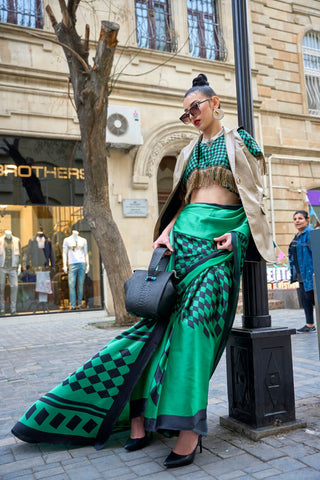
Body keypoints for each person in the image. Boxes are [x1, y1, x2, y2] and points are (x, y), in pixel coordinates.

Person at [11, 74, 275, 468]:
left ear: (214, 103)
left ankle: (187, 429)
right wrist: (166, 231)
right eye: (185, 113)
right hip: (180, 249)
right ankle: (134, 416)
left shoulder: (242, 143)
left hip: (216, 253)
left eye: (195, 108)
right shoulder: (188, 153)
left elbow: (255, 201)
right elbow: (181, 202)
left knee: (191, 329)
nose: (191, 116)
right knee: (149, 331)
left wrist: (237, 235)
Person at [289, 210, 315, 333]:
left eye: (300, 218)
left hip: (311, 274)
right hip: (301, 274)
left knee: (313, 300)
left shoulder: (310, 233)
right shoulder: (297, 236)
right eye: (295, 219)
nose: (297, 221)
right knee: (306, 301)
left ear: (307, 219)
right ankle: (309, 324)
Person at [63, 230, 89, 310]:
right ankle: (73, 305)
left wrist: (87, 264)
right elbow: (64, 253)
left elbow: (86, 253)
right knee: (71, 285)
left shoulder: (83, 240)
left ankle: (80, 304)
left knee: (80, 284)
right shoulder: (67, 240)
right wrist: (64, 265)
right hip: (72, 264)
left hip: (82, 263)